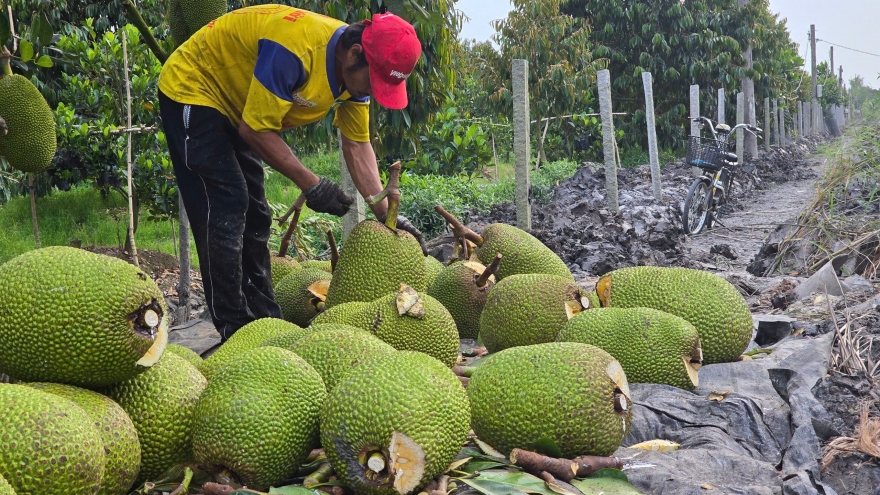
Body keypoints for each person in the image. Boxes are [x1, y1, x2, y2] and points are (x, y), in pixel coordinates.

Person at [157, 4, 426, 341]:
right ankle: (235, 329)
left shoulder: (356, 76)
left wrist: (386, 213)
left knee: (257, 214)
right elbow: (254, 131)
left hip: (241, 105)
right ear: (354, 53)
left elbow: (357, 145)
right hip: (194, 87)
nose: (373, 91)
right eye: (374, 82)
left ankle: (265, 320)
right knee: (226, 203)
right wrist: (313, 185)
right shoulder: (295, 50)